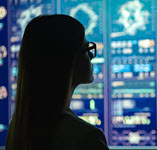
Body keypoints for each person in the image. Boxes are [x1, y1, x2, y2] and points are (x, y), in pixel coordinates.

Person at [6, 15, 109, 150]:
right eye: (86, 49)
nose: (91, 56)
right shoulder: (87, 138)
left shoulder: (18, 128)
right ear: (67, 60)